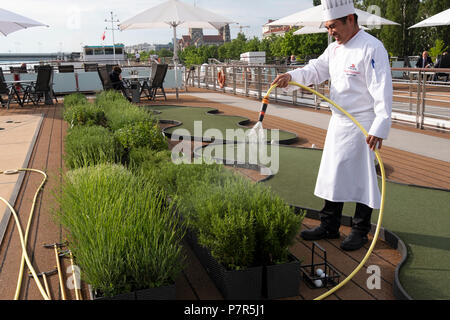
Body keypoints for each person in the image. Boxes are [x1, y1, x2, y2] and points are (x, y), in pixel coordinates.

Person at [271, 0, 392, 251]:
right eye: (327, 27)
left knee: (363, 178)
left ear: (350, 18)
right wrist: (291, 77)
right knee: (332, 174)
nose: (330, 32)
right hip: (338, 122)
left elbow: (382, 89)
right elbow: (315, 69)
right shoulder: (334, 49)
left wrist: (379, 126)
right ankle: (329, 225)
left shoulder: (372, 48)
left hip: (363, 123)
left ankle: (360, 230)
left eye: (333, 26)